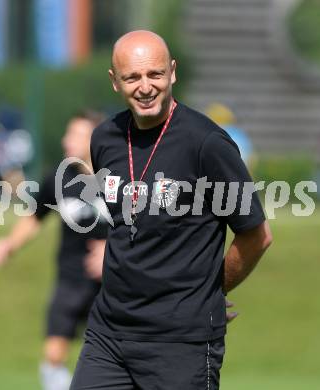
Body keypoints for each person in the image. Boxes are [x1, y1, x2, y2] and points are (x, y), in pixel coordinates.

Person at [70, 30, 272, 390]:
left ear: (173, 72)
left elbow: (256, 234)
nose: (145, 87)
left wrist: (212, 290)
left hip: (181, 343)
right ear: (115, 81)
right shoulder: (104, 139)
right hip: (108, 336)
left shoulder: (207, 143)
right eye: (132, 77)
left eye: (155, 74)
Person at [0, 111, 108, 390]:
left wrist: (113, 253)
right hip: (70, 278)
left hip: (113, 284)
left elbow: (147, 226)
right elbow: (34, 217)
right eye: (68, 134)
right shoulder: (59, 176)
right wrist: (9, 244)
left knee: (110, 355)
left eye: (76, 135)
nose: (67, 141)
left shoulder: (120, 176)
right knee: (54, 355)